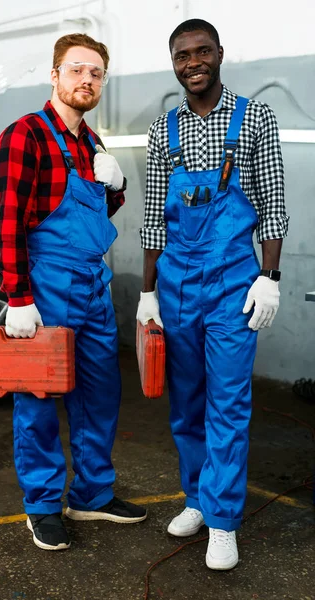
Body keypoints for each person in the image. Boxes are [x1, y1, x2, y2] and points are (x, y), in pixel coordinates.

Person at [137, 19, 288, 570]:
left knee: (227, 403)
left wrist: (268, 276)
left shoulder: (254, 117)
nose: (192, 62)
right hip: (175, 285)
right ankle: (198, 499)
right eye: (182, 55)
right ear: (173, 62)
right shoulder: (162, 130)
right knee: (187, 403)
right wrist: (147, 292)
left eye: (202, 51)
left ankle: (223, 521)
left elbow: (272, 203)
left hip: (231, 283)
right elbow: (154, 216)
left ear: (219, 54)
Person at [0, 33, 146, 551]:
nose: (87, 80)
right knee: (38, 397)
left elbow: (99, 215)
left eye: (96, 73)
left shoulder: (91, 144)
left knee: (100, 393)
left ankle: (92, 494)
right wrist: (18, 296)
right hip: (47, 282)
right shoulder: (26, 136)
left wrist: (118, 184)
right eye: (77, 69)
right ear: (54, 74)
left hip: (92, 283)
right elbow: (9, 222)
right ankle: (41, 506)